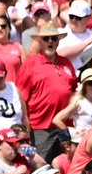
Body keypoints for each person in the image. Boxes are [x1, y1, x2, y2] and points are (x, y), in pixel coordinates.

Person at [15, 22, 76, 162]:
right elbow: (20, 96)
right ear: (40, 42)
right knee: (39, 166)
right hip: (40, 127)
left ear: (58, 41)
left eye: (54, 38)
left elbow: (73, 91)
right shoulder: (31, 64)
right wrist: (26, 122)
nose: (50, 42)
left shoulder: (66, 63)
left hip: (64, 125)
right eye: (46, 38)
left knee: (64, 164)